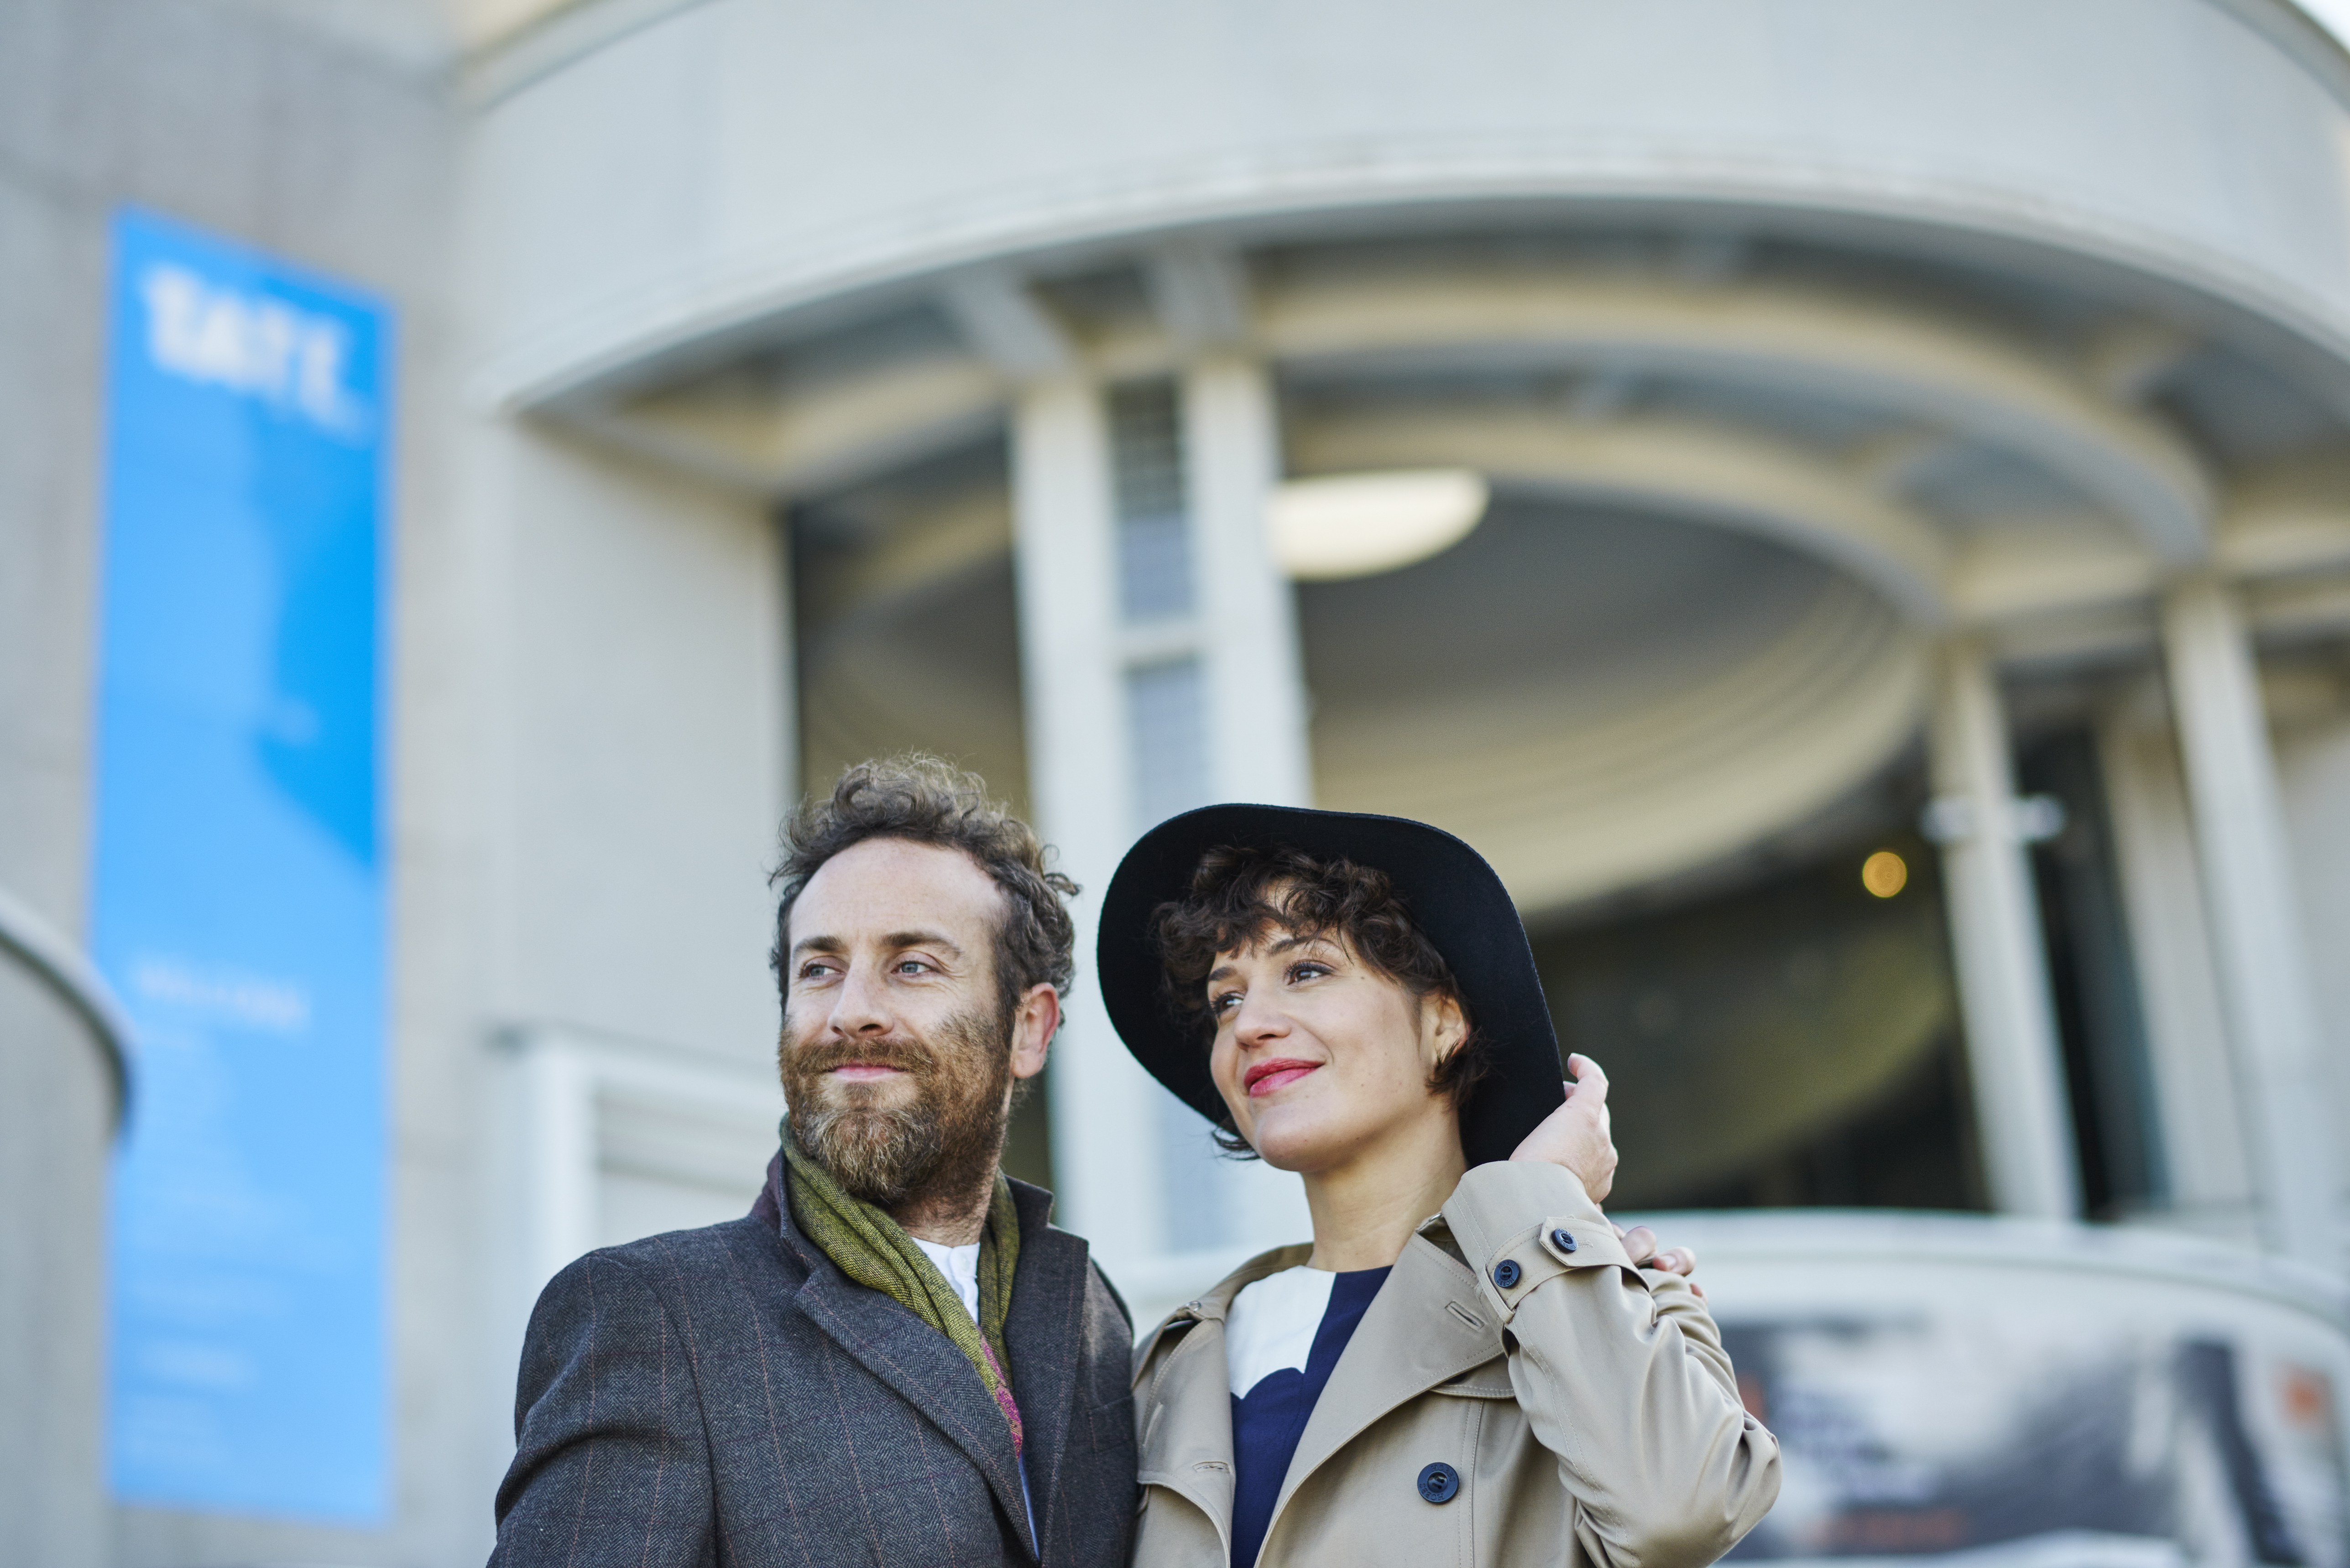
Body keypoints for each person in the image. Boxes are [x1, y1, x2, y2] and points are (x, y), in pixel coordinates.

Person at [491, 757, 1138, 1568]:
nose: (851, 1011)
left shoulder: (1091, 1315)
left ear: (1028, 1029)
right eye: (820, 969)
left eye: (912, 965)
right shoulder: (654, 1314)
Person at [1097, 804, 1781, 1568]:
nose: (1250, 1022)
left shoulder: (1619, 1305)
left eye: (1306, 970)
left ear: (1444, 1023)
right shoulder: (1168, 1361)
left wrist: (1543, 1197)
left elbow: (1679, 1513)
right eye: (1226, 998)